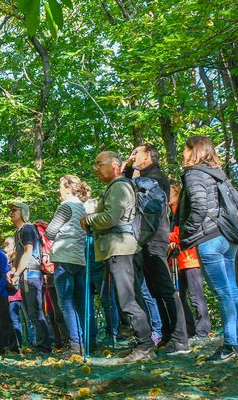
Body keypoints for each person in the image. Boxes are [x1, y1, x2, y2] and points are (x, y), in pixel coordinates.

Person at [178, 136, 238, 361]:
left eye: (185, 149)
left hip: (210, 239)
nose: (183, 153)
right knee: (232, 290)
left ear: (193, 151)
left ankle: (229, 345)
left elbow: (199, 207)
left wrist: (185, 232)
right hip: (228, 238)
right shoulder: (218, 174)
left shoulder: (194, 174)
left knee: (223, 293)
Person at [81, 151, 155, 363]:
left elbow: (111, 217)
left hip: (121, 249)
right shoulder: (117, 186)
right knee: (131, 298)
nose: (96, 168)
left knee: (127, 300)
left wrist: (88, 220)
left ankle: (145, 345)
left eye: (99, 163)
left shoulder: (119, 186)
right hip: (120, 249)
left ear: (114, 165)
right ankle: (142, 342)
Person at [122, 143, 190, 355]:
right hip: (145, 239)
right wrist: (128, 167)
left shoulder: (156, 176)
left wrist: (128, 170)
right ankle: (169, 336)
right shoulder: (144, 175)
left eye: (137, 153)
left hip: (155, 239)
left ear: (149, 156)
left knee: (166, 289)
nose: (133, 157)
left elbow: (131, 189)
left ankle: (180, 338)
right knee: (154, 290)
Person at [45, 175, 91, 357]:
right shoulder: (82, 207)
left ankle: (74, 346)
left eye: (60, 186)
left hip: (64, 257)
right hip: (80, 258)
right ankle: (83, 344)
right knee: (79, 303)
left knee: (65, 304)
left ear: (69, 188)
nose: (58, 190)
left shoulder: (66, 206)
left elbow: (49, 232)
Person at [7, 202, 52, 353]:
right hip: (24, 275)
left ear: (23, 213)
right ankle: (39, 343)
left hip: (31, 274)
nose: (11, 213)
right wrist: (13, 270)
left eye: (14, 210)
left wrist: (18, 272)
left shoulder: (27, 229)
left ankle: (45, 345)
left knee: (36, 312)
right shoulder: (18, 231)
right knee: (30, 313)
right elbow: (17, 256)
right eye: (10, 210)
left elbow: (28, 252)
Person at [169, 184, 211, 340]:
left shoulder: (183, 211)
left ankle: (203, 331)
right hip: (178, 260)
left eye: (170, 192)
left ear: (177, 194)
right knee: (179, 296)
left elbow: (182, 232)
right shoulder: (170, 214)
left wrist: (166, 238)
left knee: (196, 296)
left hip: (191, 258)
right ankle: (190, 328)